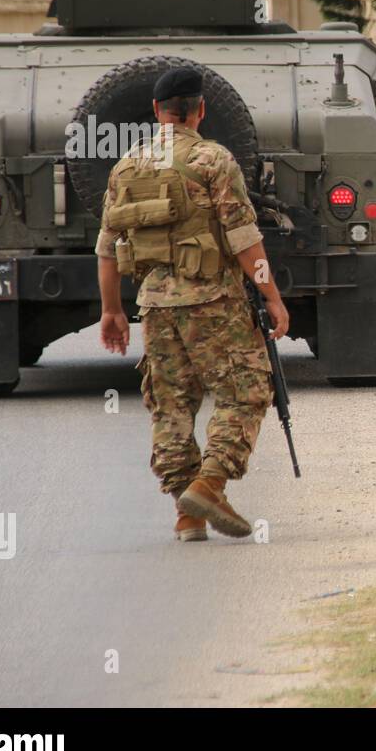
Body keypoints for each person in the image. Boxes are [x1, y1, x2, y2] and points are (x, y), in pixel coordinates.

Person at [96, 66, 289, 541]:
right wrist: (272, 296)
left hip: (155, 308)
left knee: (171, 406)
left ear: (157, 113)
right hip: (213, 303)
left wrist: (112, 311)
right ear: (200, 110)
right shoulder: (213, 161)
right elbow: (245, 241)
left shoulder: (127, 166)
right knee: (245, 391)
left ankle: (188, 516)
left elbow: (107, 245)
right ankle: (209, 483)